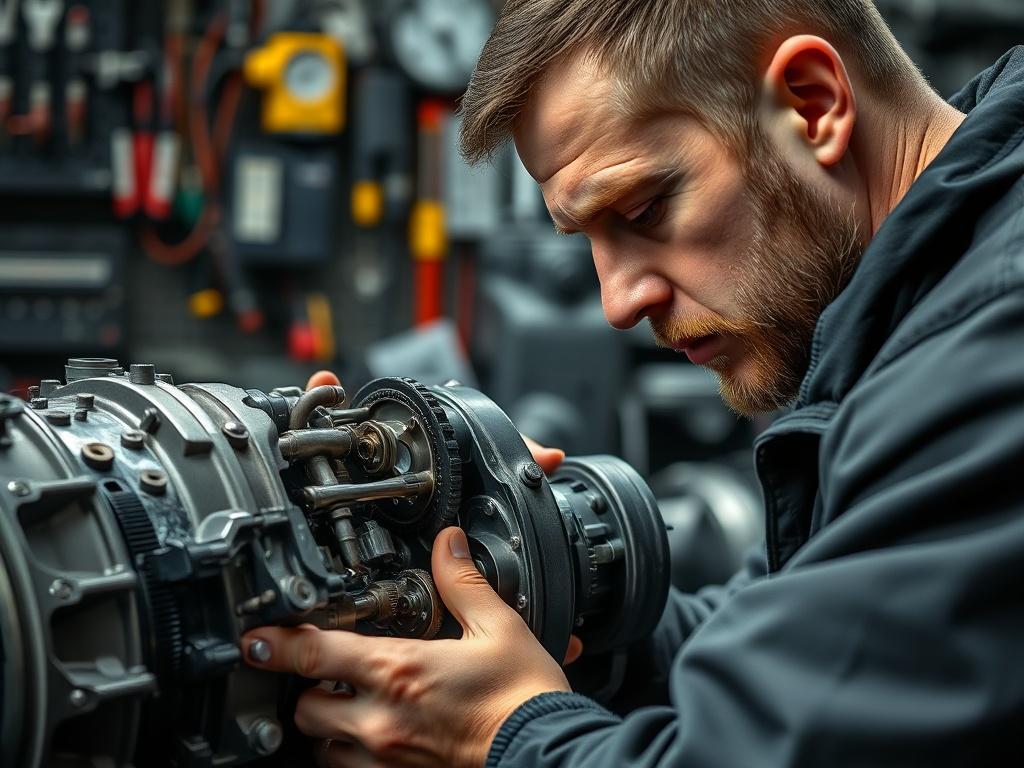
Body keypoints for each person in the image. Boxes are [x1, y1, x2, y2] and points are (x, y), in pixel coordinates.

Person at [241, 1, 1024, 765]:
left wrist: (503, 734)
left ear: (811, 106)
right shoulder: (919, 300)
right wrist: (551, 602)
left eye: (645, 209)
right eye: (588, 238)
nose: (618, 303)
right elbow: (808, 633)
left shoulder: (989, 346)